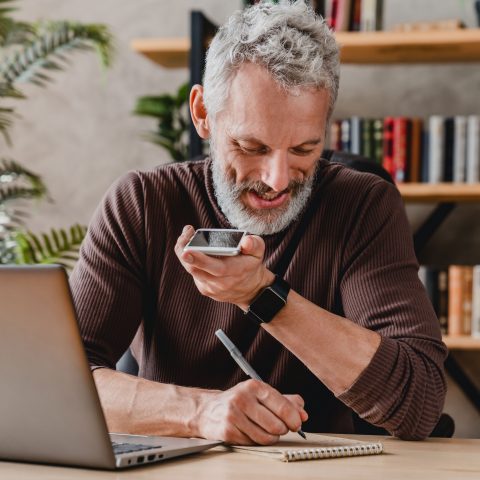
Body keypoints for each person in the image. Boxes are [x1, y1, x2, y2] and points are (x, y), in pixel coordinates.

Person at [70, 0, 447, 445]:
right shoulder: (142, 204)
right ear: (203, 113)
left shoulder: (362, 206)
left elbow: (420, 404)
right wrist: (201, 413)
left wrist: (262, 295)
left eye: (304, 150)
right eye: (252, 147)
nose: (278, 179)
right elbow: (61, 383)